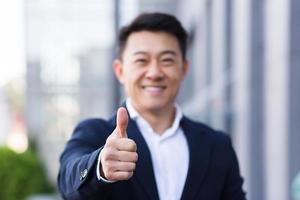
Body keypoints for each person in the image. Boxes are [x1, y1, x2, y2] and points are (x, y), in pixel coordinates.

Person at [57, 12, 246, 200]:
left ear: (183, 69)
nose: (154, 73)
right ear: (120, 71)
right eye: (142, 60)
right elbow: (68, 181)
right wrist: (100, 166)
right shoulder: (96, 133)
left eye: (167, 60)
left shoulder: (217, 145)